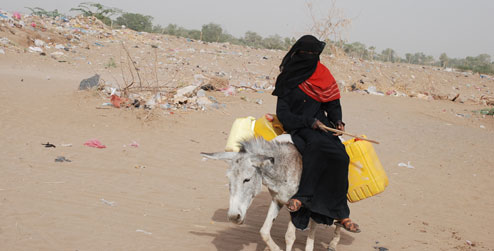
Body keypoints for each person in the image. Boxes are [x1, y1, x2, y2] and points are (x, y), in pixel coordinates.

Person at [273, 35, 360, 233]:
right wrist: (308, 122)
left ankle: (340, 212)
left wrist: (338, 121)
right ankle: (302, 198)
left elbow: (333, 104)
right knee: (317, 147)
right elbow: (283, 113)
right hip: (300, 125)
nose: (310, 57)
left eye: (314, 54)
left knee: (342, 156)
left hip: (323, 125)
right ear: (298, 54)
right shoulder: (287, 77)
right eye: (307, 53)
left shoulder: (322, 74)